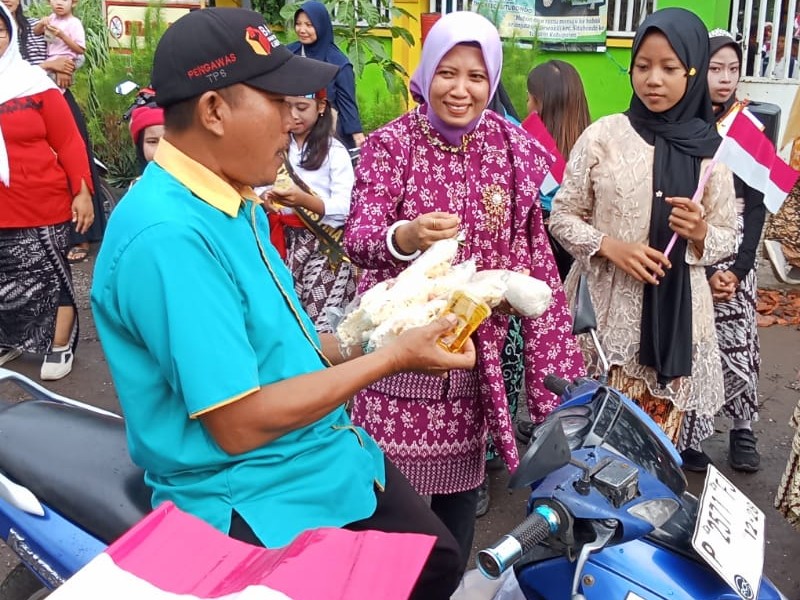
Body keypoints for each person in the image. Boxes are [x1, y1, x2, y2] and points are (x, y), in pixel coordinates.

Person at [90, 9, 472, 599]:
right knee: (424, 571)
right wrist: (391, 360)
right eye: (278, 103)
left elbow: (283, 345)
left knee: (438, 560)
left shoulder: (233, 200)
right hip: (254, 490)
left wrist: (374, 336)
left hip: (318, 455)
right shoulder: (169, 236)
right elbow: (239, 422)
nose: (294, 123)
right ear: (214, 111)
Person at [343, 11, 584, 567]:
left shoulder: (511, 148)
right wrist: (405, 236)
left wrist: (556, 384)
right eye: (447, 73)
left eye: (476, 76)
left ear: (492, 80)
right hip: (395, 363)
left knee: (454, 527)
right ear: (426, 73)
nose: (460, 90)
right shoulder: (391, 145)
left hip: (472, 367)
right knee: (383, 519)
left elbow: (534, 258)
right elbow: (358, 237)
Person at [549, 8, 737, 470]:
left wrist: (700, 234)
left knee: (647, 463)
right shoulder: (603, 136)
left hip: (675, 325)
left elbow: (728, 236)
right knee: (585, 456)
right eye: (643, 66)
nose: (654, 80)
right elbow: (562, 215)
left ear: (692, 72)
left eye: (670, 68)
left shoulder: (711, 154)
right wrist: (610, 247)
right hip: (601, 322)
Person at [0, 2, 93, 379]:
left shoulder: (33, 83)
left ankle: (58, 345)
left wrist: (82, 192)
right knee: (5, 279)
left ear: (11, 34)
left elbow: (69, 141)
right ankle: (10, 339)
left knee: (50, 274)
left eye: (0, 30)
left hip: (41, 199)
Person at [699, 29, 766, 472]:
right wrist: (705, 268)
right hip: (696, 243)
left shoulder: (748, 129)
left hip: (739, 250)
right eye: (715, 68)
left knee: (739, 338)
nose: (725, 78)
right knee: (697, 340)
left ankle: (743, 429)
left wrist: (739, 268)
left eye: (733, 69)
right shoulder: (686, 126)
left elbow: (758, 204)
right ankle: (693, 431)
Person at [263, 89, 357, 332]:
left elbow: (346, 207)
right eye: (287, 107)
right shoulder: (274, 145)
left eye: (302, 108)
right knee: (288, 320)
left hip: (324, 245)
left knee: (320, 325)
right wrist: (265, 198)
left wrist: (304, 200)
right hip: (282, 243)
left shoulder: (334, 151)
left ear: (321, 107)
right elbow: (257, 186)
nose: (293, 115)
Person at [525, 59, 590, 282]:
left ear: (538, 103)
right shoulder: (597, 146)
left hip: (538, 269)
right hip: (582, 270)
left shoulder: (524, 149)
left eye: (528, 98)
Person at [287, 1, 365, 149]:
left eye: (309, 25)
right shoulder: (289, 54)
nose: (302, 30)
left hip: (325, 135)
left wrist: (357, 135)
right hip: (292, 129)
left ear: (321, 25)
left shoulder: (339, 63)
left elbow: (347, 103)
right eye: (298, 24)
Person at [32, 0, 84, 89]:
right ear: (49, 2)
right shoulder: (51, 18)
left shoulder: (74, 23)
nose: (59, 3)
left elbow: (80, 50)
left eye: (64, 0)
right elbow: (36, 32)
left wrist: (62, 36)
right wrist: (41, 24)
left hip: (67, 58)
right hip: (51, 59)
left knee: (52, 85)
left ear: (73, 3)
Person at [127, 87, 164, 174]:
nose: (161, 151)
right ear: (140, 146)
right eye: (152, 142)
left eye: (169, 142)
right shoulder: (141, 183)